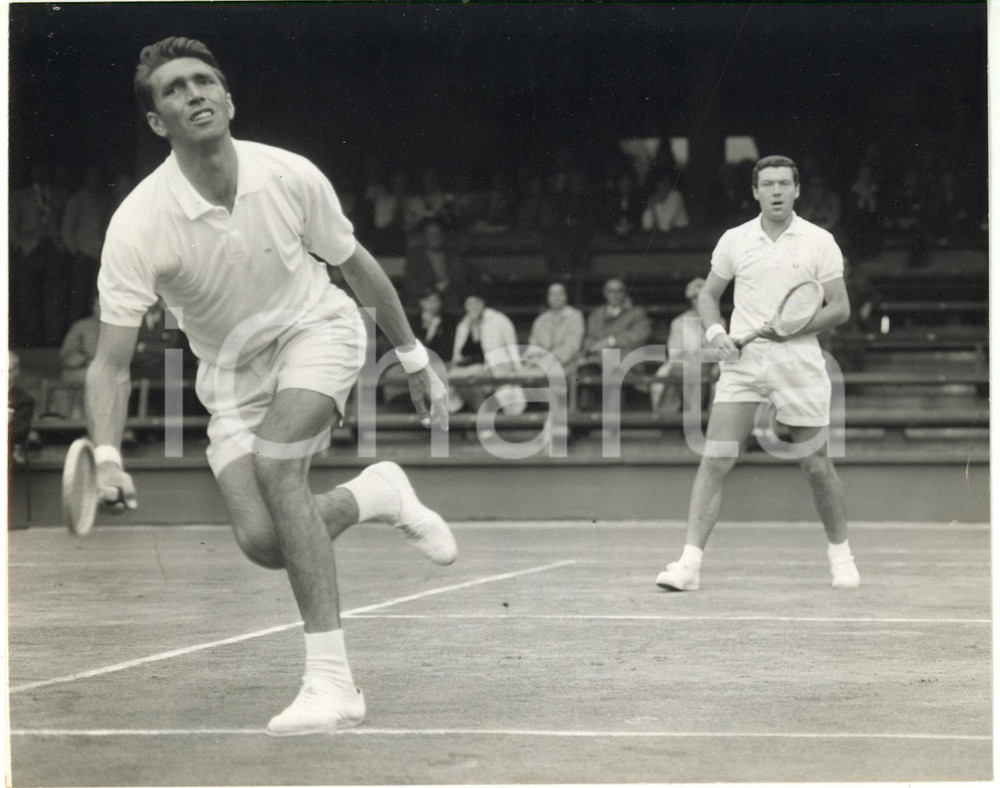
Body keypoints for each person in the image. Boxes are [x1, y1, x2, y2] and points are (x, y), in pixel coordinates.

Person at [88, 37, 455, 736]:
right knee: (263, 541)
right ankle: (376, 493)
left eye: (204, 81)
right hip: (230, 374)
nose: (194, 93)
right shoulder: (137, 224)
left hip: (317, 329)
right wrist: (107, 456)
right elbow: (110, 362)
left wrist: (412, 357)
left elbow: (357, 266)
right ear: (158, 122)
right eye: (174, 89)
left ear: (228, 100)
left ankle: (332, 683)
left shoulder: (290, 175)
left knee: (276, 463)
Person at [655, 155, 859, 592]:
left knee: (816, 466)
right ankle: (689, 566)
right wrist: (716, 333)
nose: (777, 191)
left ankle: (842, 558)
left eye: (784, 183)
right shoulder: (735, 240)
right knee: (715, 460)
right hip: (743, 365)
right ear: (755, 191)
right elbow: (708, 296)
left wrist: (792, 329)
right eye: (768, 184)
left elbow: (840, 308)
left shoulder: (820, 241)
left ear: (797, 190)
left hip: (799, 362)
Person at [447, 291, 526, 417]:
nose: (473, 307)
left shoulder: (499, 320)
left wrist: (517, 369)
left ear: (482, 303)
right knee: (454, 380)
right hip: (467, 369)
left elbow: (512, 347)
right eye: (469, 303)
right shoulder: (463, 324)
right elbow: (457, 355)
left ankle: (485, 415)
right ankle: (484, 415)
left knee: (466, 380)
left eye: (476, 303)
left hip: (494, 369)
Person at [577, 277, 651, 410]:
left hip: (625, 362)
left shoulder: (636, 313)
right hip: (597, 361)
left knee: (611, 369)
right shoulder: (597, 314)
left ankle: (614, 414)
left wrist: (610, 341)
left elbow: (640, 336)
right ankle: (584, 415)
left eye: (619, 291)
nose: (615, 295)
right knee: (585, 370)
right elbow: (590, 338)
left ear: (624, 293)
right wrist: (592, 347)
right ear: (605, 293)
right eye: (611, 291)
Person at [649, 277, 719, 414]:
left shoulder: (718, 320)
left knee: (715, 379)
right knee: (663, 378)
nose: (699, 301)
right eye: (695, 298)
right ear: (690, 300)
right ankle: (667, 418)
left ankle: (706, 417)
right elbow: (674, 353)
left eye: (703, 297)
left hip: (709, 366)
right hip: (682, 364)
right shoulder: (679, 321)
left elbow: (718, 352)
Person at [61, 164, 112, 324]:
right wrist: (75, 251)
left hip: (99, 254)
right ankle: (75, 332)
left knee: (95, 297)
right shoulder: (77, 200)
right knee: (78, 297)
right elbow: (67, 229)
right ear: (86, 178)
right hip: (82, 254)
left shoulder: (104, 201)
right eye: (91, 176)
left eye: (97, 177)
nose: (94, 180)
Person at [523, 282, 585, 375]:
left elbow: (571, 347)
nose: (556, 297)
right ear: (548, 297)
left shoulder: (575, 316)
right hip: (542, 363)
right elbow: (534, 344)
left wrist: (550, 360)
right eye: (552, 294)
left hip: (567, 364)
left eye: (560, 293)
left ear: (566, 296)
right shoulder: (540, 320)